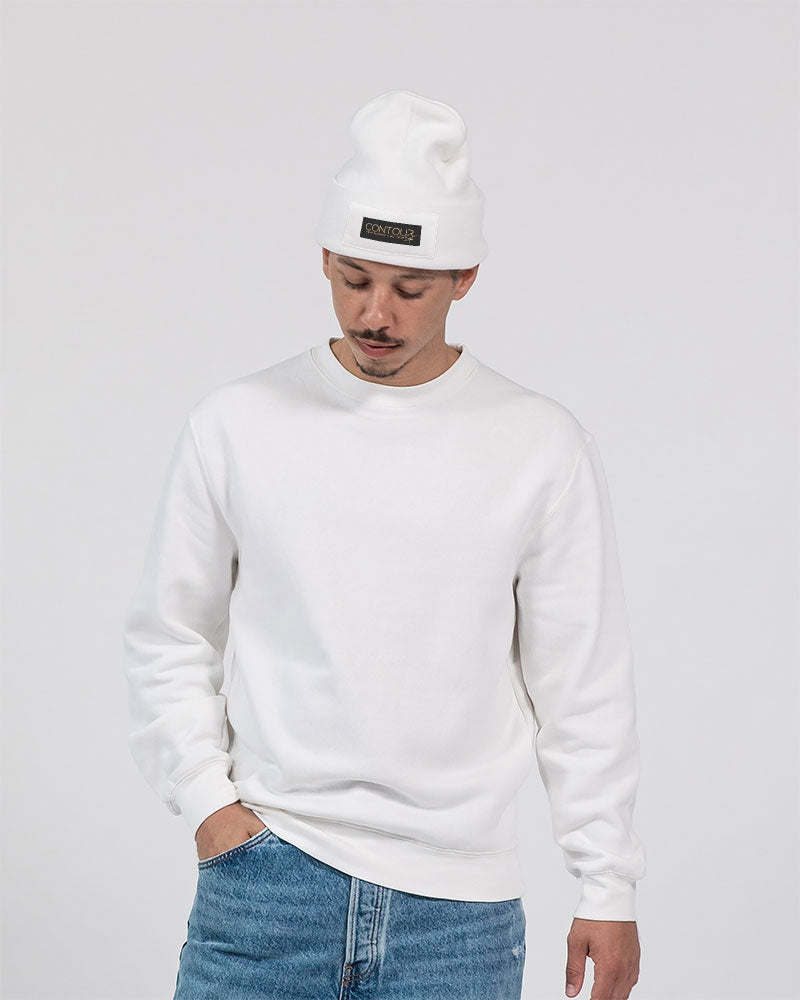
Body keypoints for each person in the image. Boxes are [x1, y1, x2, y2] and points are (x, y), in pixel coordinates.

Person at [123, 89, 646, 1000]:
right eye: (355, 278)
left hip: (459, 919)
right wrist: (210, 804)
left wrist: (607, 883)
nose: (376, 315)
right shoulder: (237, 424)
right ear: (324, 258)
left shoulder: (538, 445)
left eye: (410, 289)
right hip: (266, 885)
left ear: (464, 277)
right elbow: (169, 635)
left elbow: (580, 680)